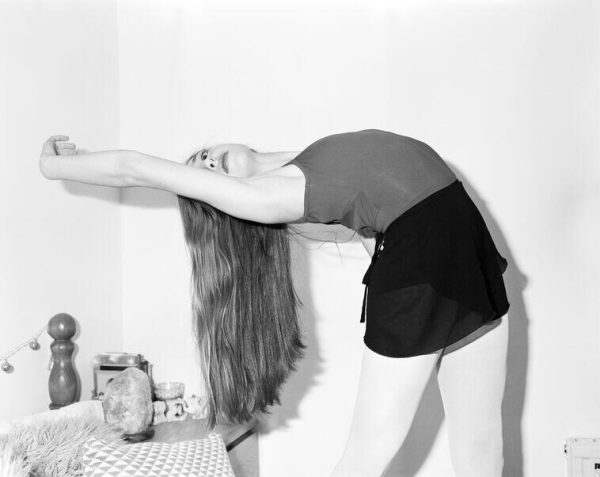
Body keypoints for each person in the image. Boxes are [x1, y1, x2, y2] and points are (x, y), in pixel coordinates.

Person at [39, 129, 510, 477]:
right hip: (429, 255)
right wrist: (53, 164)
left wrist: (387, 261)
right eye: (201, 171)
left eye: (204, 154)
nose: (208, 159)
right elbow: (134, 168)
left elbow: (376, 211)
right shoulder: (261, 198)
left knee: (482, 444)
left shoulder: (298, 163)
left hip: (462, 241)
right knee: (369, 453)